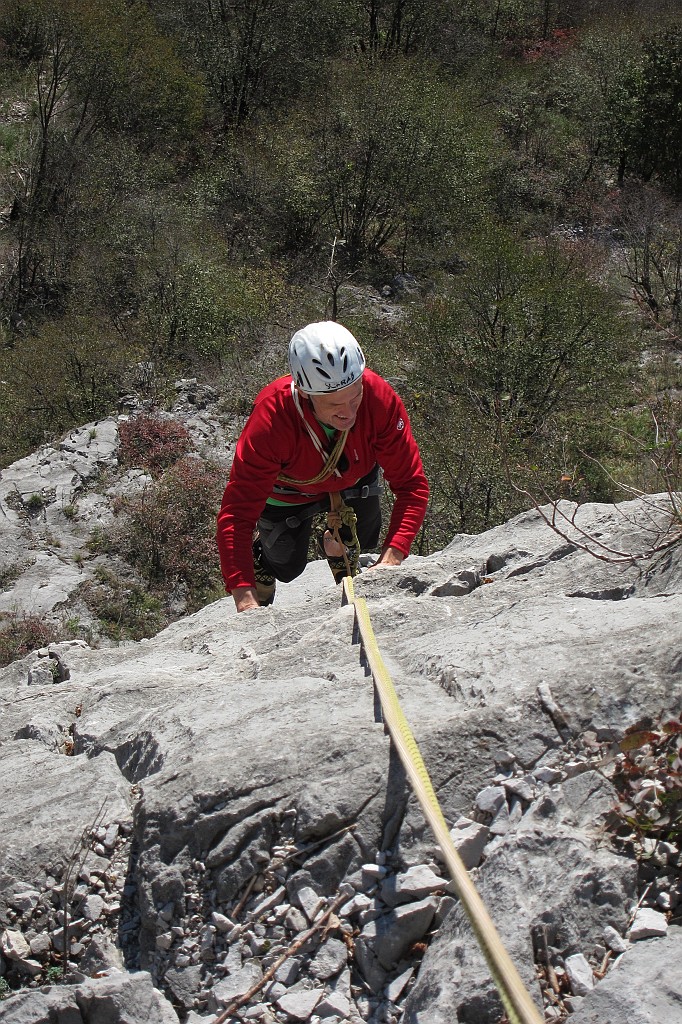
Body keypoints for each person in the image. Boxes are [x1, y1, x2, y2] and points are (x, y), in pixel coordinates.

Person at [216, 320, 429, 612]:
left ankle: (337, 547)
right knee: (286, 566)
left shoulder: (378, 398)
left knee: (365, 541)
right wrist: (244, 595)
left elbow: (411, 485)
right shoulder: (272, 419)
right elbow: (237, 515)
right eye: (334, 405)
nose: (349, 413)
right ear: (305, 394)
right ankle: (262, 560)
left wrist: (391, 560)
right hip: (288, 490)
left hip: (354, 474)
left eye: (355, 397)